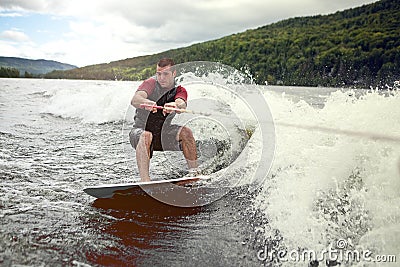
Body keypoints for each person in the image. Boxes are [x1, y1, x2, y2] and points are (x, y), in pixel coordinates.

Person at [129, 58, 198, 181]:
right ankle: (145, 180)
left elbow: (181, 103)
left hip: (162, 136)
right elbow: (135, 99)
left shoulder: (179, 90)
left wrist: (175, 106)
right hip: (139, 133)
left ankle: (195, 174)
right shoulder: (150, 84)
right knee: (146, 135)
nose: (161, 77)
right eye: (158, 74)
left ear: (174, 73)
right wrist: (146, 102)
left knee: (186, 132)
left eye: (165, 74)